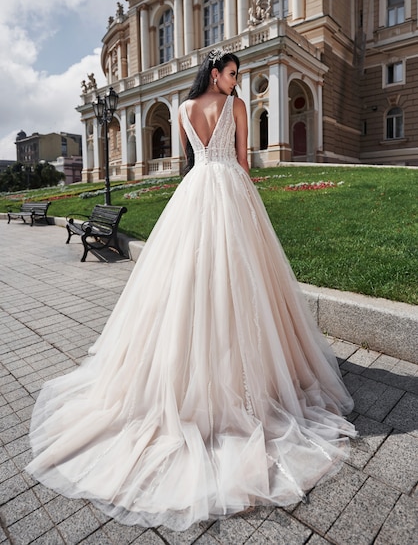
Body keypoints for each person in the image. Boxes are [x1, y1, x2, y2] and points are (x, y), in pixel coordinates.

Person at [26, 49, 356, 532]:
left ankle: (182, 376)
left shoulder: (181, 110)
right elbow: (244, 162)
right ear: (216, 73)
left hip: (194, 192)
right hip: (227, 190)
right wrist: (252, 205)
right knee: (239, 280)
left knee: (187, 280)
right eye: (232, 74)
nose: (235, 82)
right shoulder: (237, 107)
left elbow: (191, 160)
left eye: (237, 77)